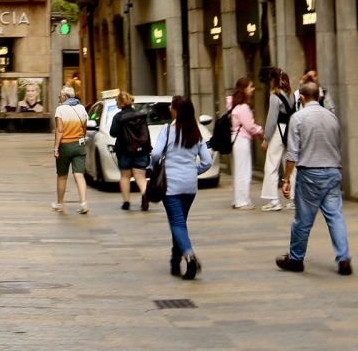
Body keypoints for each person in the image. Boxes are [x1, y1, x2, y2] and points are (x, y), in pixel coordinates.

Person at [276, 81, 352, 275]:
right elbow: (338, 145)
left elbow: (292, 153)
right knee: (335, 217)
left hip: (310, 172)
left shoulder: (298, 117)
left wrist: (286, 180)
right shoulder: (332, 117)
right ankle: (343, 258)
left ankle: (296, 258)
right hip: (333, 171)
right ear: (319, 96)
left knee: (303, 220)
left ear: (301, 97)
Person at [149, 98, 213, 280]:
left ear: (176, 111)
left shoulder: (168, 130)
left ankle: (190, 257)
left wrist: (156, 165)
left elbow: (155, 154)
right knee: (180, 223)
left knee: (177, 223)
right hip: (190, 186)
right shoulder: (196, 132)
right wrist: (194, 170)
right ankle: (174, 259)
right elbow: (207, 162)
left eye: (172, 107)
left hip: (171, 184)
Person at [108, 90, 150, 211]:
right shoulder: (140, 115)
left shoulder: (118, 117)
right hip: (140, 150)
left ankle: (126, 202)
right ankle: (144, 193)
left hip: (124, 150)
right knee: (140, 176)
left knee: (125, 176)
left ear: (120, 103)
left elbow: (113, 133)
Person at [260, 70, 296, 211]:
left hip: (278, 132)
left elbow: (271, 120)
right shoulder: (292, 96)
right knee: (291, 164)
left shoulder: (275, 97)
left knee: (271, 164)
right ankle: (294, 199)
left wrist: (266, 140)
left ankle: (274, 200)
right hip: (290, 131)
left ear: (272, 81)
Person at [51, 85, 91, 214]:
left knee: (62, 176)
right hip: (79, 144)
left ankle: (60, 204)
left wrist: (56, 148)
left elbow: (59, 130)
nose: (59, 98)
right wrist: (82, 138)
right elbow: (85, 127)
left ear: (65, 96)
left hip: (65, 145)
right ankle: (83, 203)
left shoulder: (60, 110)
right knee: (79, 175)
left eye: (60, 96)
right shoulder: (82, 108)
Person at [227, 77, 263, 209]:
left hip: (235, 139)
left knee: (238, 171)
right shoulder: (243, 107)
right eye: (251, 86)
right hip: (241, 139)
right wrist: (261, 130)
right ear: (244, 89)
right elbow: (250, 126)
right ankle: (242, 201)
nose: (253, 89)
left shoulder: (233, 105)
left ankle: (238, 200)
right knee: (244, 171)